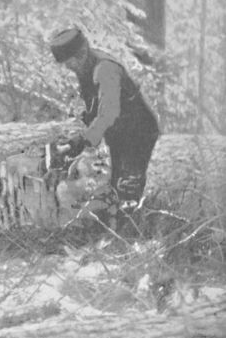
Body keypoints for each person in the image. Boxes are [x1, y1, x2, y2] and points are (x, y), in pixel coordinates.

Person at [48, 26, 160, 206]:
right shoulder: (86, 67)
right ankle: (116, 214)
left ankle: (132, 218)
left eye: (69, 63)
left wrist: (83, 140)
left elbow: (109, 112)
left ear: (80, 54)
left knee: (128, 184)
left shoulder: (105, 69)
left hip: (138, 131)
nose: (68, 68)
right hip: (119, 130)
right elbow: (95, 106)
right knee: (116, 182)